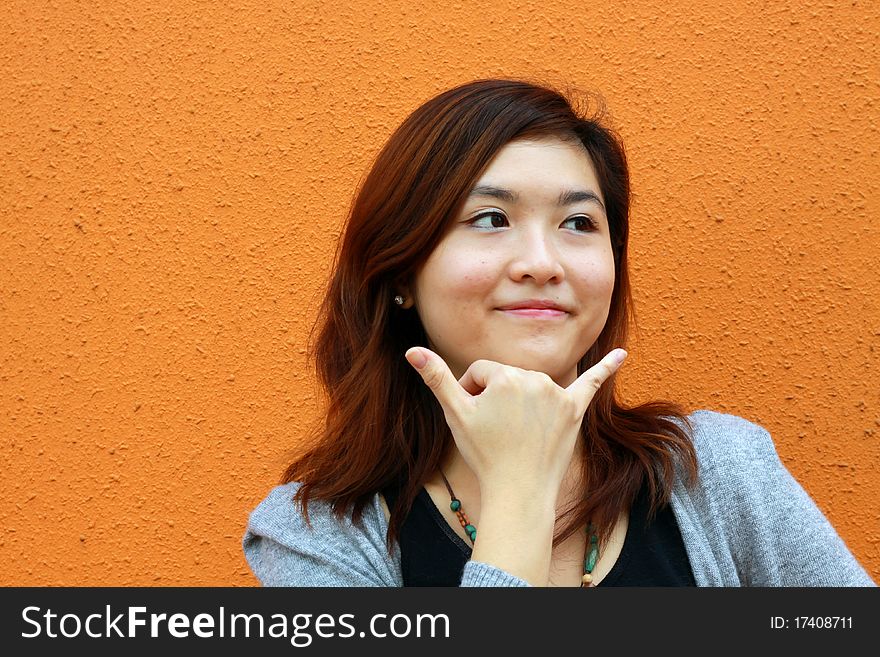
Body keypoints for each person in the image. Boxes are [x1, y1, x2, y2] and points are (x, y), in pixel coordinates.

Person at [242, 79, 874, 587]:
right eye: (491, 218)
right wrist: (520, 487)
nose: (542, 262)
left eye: (578, 222)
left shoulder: (716, 471)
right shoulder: (319, 537)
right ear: (402, 271)